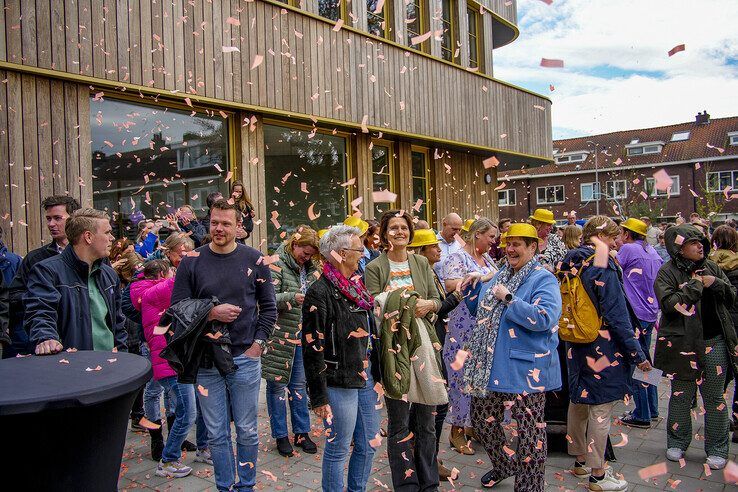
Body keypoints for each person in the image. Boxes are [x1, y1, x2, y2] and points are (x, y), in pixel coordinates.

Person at [171, 199, 277, 491]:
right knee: (217, 433)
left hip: (244, 356)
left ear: (238, 226)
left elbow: (269, 307)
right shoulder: (191, 260)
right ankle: (224, 486)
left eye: (226, 223)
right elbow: (177, 306)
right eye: (214, 222)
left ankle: (247, 485)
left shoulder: (255, 259)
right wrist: (210, 312)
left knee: (246, 430)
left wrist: (258, 345)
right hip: (206, 359)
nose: (218, 228)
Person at [461, 223, 562, 491]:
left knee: (530, 434)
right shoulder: (501, 273)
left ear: (533, 247)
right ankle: (506, 464)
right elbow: (483, 313)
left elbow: (544, 318)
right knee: (482, 420)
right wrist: (473, 289)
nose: (511, 249)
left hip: (526, 368)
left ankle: (529, 487)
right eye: (509, 243)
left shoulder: (543, 279)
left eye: (518, 244)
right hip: (490, 366)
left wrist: (509, 298)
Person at [560, 216, 650, 491]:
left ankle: (579, 461)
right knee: (601, 408)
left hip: (575, 341)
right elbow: (616, 314)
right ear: (602, 238)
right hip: (603, 344)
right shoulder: (602, 265)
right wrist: (637, 353)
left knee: (578, 401)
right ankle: (598, 474)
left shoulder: (569, 260)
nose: (617, 242)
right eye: (613, 238)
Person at [365, 210, 444, 491]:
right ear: (384, 234)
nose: (400, 232)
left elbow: (436, 298)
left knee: (426, 421)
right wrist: (405, 304)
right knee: (399, 422)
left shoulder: (421, 262)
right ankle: (406, 484)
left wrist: (429, 306)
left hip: (424, 347)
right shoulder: (375, 268)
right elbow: (374, 308)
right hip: (392, 350)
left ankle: (429, 482)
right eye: (393, 228)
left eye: (404, 228)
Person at [302, 225, 381, 492]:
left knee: (368, 443)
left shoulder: (357, 284)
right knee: (338, 446)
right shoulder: (320, 291)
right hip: (338, 380)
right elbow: (312, 347)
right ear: (341, 253)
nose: (363, 253)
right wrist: (319, 396)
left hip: (365, 376)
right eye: (359, 249)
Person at [654, 223, 738, 470]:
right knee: (681, 396)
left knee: (714, 397)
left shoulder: (711, 266)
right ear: (679, 249)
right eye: (693, 243)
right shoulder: (667, 272)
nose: (700, 246)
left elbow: (732, 296)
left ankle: (718, 448)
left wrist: (716, 283)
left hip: (715, 341)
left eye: (701, 241)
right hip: (683, 344)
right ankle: (677, 442)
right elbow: (668, 304)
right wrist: (696, 286)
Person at [25, 208, 127, 354]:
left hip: (111, 366)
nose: (111, 238)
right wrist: (46, 338)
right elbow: (40, 311)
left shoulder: (109, 274)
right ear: (88, 237)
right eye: (107, 232)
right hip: (71, 366)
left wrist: (123, 358)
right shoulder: (47, 271)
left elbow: (118, 324)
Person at [132, 259, 197, 478]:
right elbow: (176, 284)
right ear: (162, 273)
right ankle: (168, 459)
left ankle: (170, 452)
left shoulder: (149, 292)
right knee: (187, 413)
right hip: (168, 363)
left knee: (182, 410)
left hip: (171, 361)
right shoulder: (153, 293)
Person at [409, 228, 463, 480]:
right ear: (421, 251)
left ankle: (429, 457)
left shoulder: (432, 272)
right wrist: (457, 296)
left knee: (437, 405)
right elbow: (435, 311)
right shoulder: (421, 276)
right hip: (430, 344)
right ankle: (427, 459)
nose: (439, 249)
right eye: (433, 246)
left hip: (438, 341)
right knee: (435, 405)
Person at [442, 217, 497, 455]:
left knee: (479, 377)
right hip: (463, 327)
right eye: (491, 237)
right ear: (477, 235)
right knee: (460, 377)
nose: (494, 242)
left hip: (484, 329)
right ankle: (457, 431)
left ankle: (474, 424)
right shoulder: (457, 257)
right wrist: (481, 277)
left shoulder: (488, 258)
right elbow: (451, 284)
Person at [262, 226, 319, 458]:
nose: (306, 258)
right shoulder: (275, 263)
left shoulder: (311, 268)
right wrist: (292, 298)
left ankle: (302, 432)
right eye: (304, 253)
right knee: (276, 386)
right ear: (294, 245)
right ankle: (280, 435)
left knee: (298, 386)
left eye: (310, 255)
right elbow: (267, 299)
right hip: (279, 336)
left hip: (302, 335)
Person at [8, 195, 80, 356]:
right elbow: (13, 295)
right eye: (48, 219)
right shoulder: (35, 258)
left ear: (73, 219)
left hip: (81, 341)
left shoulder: (91, 257)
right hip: (44, 342)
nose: (51, 224)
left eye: (57, 218)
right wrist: (41, 295)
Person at [617, 218, 663, 429]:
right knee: (647, 361)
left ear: (627, 234)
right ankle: (652, 408)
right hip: (650, 312)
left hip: (635, 313)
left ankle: (641, 413)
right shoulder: (652, 251)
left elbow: (612, 267)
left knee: (637, 361)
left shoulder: (627, 249)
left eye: (620, 233)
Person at [708, 225, 738, 443]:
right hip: (735, 325)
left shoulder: (704, 264)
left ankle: (718, 415)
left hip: (713, 328)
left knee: (717, 378)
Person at [434, 213, 464, 284]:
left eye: (459, 230)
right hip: (439, 290)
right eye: (454, 229)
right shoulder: (433, 242)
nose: (456, 233)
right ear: (444, 224)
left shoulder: (461, 242)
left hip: (458, 289)